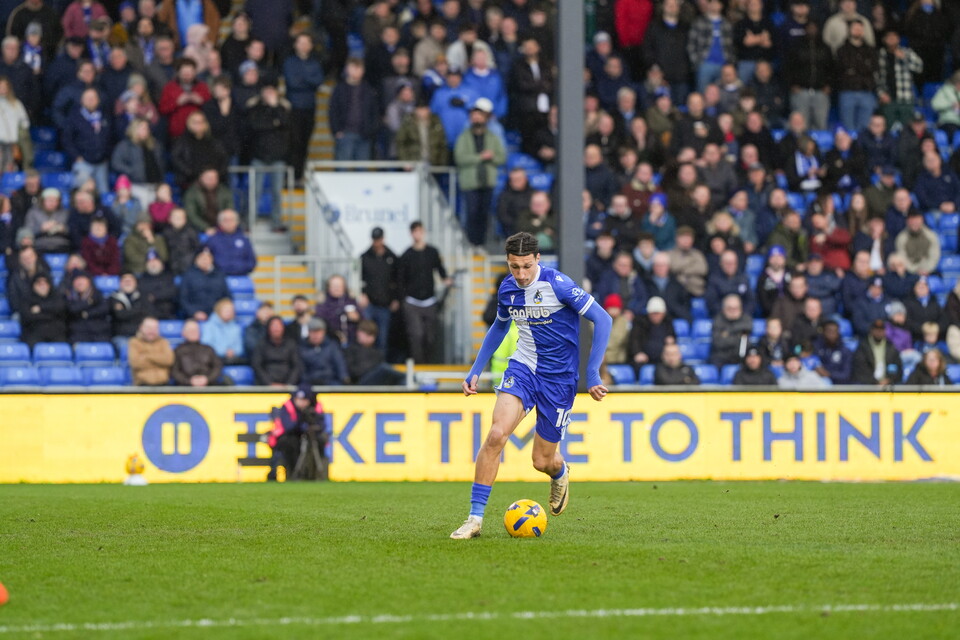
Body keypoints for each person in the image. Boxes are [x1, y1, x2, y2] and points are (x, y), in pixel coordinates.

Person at [450, 232, 611, 539]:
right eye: (514, 267)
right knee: (496, 435)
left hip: (559, 380)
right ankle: (474, 518)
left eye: (526, 266)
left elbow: (602, 320)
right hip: (523, 368)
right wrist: (475, 369)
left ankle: (559, 472)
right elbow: (499, 326)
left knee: (541, 461)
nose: (520, 275)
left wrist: (592, 373)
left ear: (538, 259)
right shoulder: (508, 287)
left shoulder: (558, 284)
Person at [454, 97, 506, 246]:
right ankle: (471, 245)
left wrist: (491, 157)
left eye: (479, 115)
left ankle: (482, 245)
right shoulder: (463, 137)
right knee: (471, 215)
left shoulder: (493, 137)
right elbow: (460, 158)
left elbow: (501, 157)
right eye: (474, 116)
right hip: (470, 183)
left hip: (487, 181)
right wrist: (480, 157)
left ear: (486, 118)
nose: (476, 118)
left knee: (485, 215)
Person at [397, 221, 451, 363]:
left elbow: (440, 268)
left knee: (430, 336)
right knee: (416, 334)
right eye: (415, 231)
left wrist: (445, 278)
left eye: (420, 231)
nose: (418, 235)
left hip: (429, 300)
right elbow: (401, 279)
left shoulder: (432, 252)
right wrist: (403, 299)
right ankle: (419, 365)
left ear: (424, 232)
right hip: (412, 301)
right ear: (411, 234)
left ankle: (429, 363)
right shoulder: (407, 255)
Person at [246, 80, 291, 232]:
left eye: (272, 91)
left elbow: (285, 123)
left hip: (278, 157)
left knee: (277, 192)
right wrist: (274, 124)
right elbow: (255, 126)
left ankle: (276, 222)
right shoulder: (255, 108)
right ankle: (249, 222)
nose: (269, 94)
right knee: (255, 191)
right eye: (267, 91)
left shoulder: (283, 108)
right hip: (259, 156)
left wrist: (275, 107)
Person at [262, 384, 327, 481]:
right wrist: (301, 419)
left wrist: (311, 426)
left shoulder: (316, 407)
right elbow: (288, 427)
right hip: (289, 437)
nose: (300, 402)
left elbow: (321, 425)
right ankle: (292, 474)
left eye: (304, 400)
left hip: (309, 437)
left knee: (321, 440)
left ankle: (315, 474)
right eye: (299, 399)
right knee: (289, 443)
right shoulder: (288, 406)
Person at [360, 226, 399, 352]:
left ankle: (381, 365)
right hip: (369, 304)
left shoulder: (392, 258)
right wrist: (363, 294)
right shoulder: (365, 257)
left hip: (385, 304)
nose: (377, 242)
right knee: (367, 335)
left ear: (383, 239)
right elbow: (360, 279)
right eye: (375, 239)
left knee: (382, 338)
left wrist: (395, 299)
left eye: (379, 239)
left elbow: (397, 281)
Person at [344, 319, 405, 385]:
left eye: (373, 335)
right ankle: (411, 377)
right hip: (360, 383)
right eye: (367, 334)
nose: (370, 338)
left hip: (376, 382)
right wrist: (372, 368)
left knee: (396, 378)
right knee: (384, 368)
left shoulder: (377, 352)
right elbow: (351, 371)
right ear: (358, 333)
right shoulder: (350, 350)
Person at [179, 246, 229, 321]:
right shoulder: (188, 276)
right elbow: (182, 299)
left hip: (216, 317)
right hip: (193, 318)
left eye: (207, 257)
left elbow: (227, 297)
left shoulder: (219, 275)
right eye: (202, 257)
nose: (205, 260)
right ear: (196, 259)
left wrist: (220, 312)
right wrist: (194, 312)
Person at [204, 209, 256, 276]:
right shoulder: (212, 239)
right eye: (225, 220)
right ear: (220, 222)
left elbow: (251, 261)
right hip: (218, 278)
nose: (228, 223)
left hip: (241, 275)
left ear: (237, 222)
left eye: (231, 220)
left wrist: (240, 269)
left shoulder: (244, 239)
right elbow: (205, 260)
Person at [252, 315, 302, 386]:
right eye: (273, 326)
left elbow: (296, 366)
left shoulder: (291, 344)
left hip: (288, 385)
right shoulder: (261, 345)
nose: (276, 328)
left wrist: (289, 384)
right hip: (266, 386)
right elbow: (257, 366)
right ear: (268, 328)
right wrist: (269, 383)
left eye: (278, 325)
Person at [19, 273, 67, 347]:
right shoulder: (26, 299)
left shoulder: (56, 297)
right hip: (33, 333)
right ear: (33, 285)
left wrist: (40, 308)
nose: (42, 286)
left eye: (45, 283)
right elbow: (27, 317)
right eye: (39, 283)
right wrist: (51, 313)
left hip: (56, 333)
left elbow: (61, 310)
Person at [171, 318, 223, 386]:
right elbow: (175, 372)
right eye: (190, 330)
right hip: (185, 388)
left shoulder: (208, 349)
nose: (194, 332)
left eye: (196, 330)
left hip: (209, 386)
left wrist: (207, 379)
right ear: (183, 333)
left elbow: (217, 367)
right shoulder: (178, 351)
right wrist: (189, 381)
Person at [852, 318, 903, 385]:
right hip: (868, 385)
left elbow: (897, 368)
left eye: (881, 329)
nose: (879, 332)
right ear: (871, 330)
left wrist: (889, 380)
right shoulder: (863, 347)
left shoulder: (891, 347)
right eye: (876, 329)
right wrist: (875, 382)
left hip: (888, 385)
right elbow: (861, 369)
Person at [299, 317, 348, 386]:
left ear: (324, 332)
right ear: (309, 333)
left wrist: (344, 378)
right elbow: (301, 369)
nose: (316, 335)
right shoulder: (302, 348)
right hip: (310, 382)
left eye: (318, 332)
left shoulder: (332, 346)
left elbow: (339, 364)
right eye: (313, 332)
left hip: (330, 381)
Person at [183, 167, 233, 234]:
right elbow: (192, 215)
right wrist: (206, 228)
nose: (212, 180)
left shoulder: (224, 191)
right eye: (208, 178)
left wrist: (223, 225)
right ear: (201, 178)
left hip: (221, 226)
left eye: (214, 178)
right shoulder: (192, 193)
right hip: (198, 228)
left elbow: (229, 210)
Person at [128, 316, 174, 385]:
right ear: (141, 327)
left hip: (163, 385)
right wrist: (159, 360)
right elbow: (136, 363)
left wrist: (146, 356)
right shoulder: (134, 342)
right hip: (142, 386)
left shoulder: (164, 342)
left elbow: (168, 360)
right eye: (149, 327)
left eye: (155, 328)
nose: (152, 331)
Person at [710, 294, 753, 368]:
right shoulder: (718, 320)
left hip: (740, 354)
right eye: (730, 308)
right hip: (722, 355)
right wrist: (738, 336)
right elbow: (718, 343)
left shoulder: (746, 319)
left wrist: (728, 333)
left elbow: (747, 332)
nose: (733, 311)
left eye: (736, 308)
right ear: (724, 308)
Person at [201, 297, 244, 365]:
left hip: (232, 359)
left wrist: (233, 352)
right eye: (226, 310)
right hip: (214, 359)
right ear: (219, 310)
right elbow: (206, 345)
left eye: (231, 311)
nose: (229, 313)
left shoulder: (236, 328)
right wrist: (223, 352)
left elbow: (239, 348)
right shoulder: (209, 326)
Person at [139, 248, 177, 318]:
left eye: (155, 261)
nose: (153, 263)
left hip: (168, 313)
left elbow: (172, 292)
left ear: (161, 263)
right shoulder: (142, 278)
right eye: (150, 261)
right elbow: (144, 296)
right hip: (149, 314)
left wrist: (155, 296)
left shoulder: (168, 275)